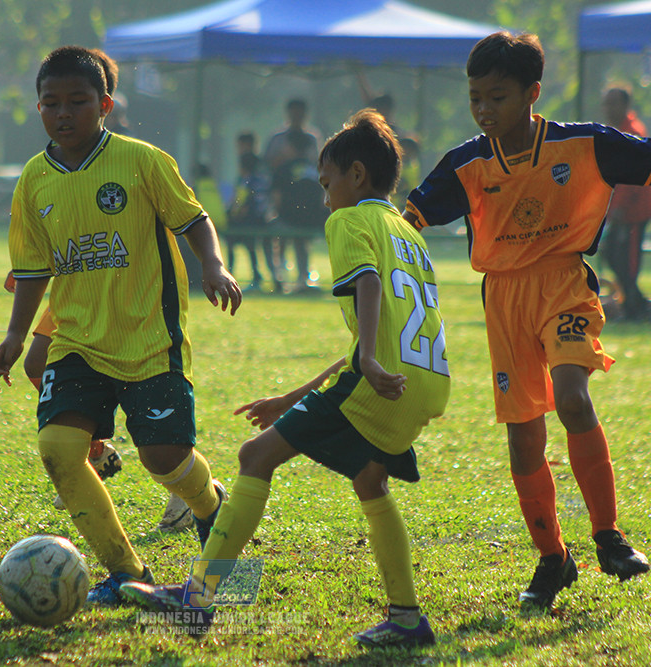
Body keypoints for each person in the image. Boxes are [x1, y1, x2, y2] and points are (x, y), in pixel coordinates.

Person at [404, 30, 651, 611]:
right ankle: (553, 559)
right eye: (476, 97)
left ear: (532, 93)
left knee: (572, 399)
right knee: (524, 437)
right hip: (503, 299)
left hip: (564, 285)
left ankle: (608, 536)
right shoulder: (466, 163)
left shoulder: (585, 145)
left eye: (496, 97)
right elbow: (410, 219)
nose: (483, 109)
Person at [121, 110, 451, 648]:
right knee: (370, 480)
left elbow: (366, 286)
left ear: (358, 175)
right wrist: (295, 396)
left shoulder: (349, 221)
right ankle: (409, 619)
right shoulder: (406, 232)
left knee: (254, 457)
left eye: (328, 184)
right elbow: (376, 334)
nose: (324, 199)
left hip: (377, 377)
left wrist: (367, 361)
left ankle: (199, 599)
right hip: (423, 383)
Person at [0, 45, 242, 606]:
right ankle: (125, 571)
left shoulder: (141, 160)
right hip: (77, 341)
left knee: (163, 459)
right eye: (51, 103)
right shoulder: (33, 180)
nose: (64, 113)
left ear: (103, 104)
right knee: (58, 449)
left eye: (77, 101)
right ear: (38, 109)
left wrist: (213, 264)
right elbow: (31, 269)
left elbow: (194, 220)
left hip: (151, 341)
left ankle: (211, 505)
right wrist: (14, 335)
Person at [2, 271, 194, 532]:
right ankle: (96, 451)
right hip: (79, 281)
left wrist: (212, 263)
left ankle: (189, 486)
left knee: (137, 387)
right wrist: (30, 266)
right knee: (37, 361)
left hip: (127, 279)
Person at [600, 85, 651, 321]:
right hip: (617, 211)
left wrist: (620, 207)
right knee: (611, 254)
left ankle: (638, 308)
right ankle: (636, 304)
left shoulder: (632, 132)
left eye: (613, 102)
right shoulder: (610, 132)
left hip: (633, 212)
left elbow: (633, 177)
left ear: (625, 106)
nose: (608, 108)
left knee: (628, 261)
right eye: (606, 102)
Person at [265, 99, 326, 292]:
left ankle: (302, 277)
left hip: (303, 206)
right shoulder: (278, 138)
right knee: (281, 239)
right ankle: (281, 276)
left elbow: (319, 167)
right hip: (286, 202)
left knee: (302, 241)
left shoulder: (312, 137)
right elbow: (267, 165)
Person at [226, 151, 269, 291]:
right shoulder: (259, 179)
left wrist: (233, 215)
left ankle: (231, 274)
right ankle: (255, 276)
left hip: (250, 221)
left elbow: (245, 203)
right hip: (257, 219)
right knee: (249, 247)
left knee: (235, 242)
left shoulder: (247, 181)